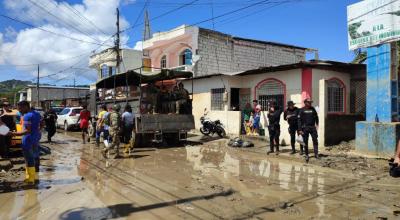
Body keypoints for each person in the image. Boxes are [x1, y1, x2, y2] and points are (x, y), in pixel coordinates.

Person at [12, 101, 41, 185]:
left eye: (20, 108)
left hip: (27, 140)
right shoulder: (36, 113)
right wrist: (37, 132)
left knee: (29, 159)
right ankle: (32, 176)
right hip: (35, 138)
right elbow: (42, 123)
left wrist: (13, 133)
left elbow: (27, 131)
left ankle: (30, 179)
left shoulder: (27, 116)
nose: (19, 110)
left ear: (25, 106)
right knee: (35, 156)